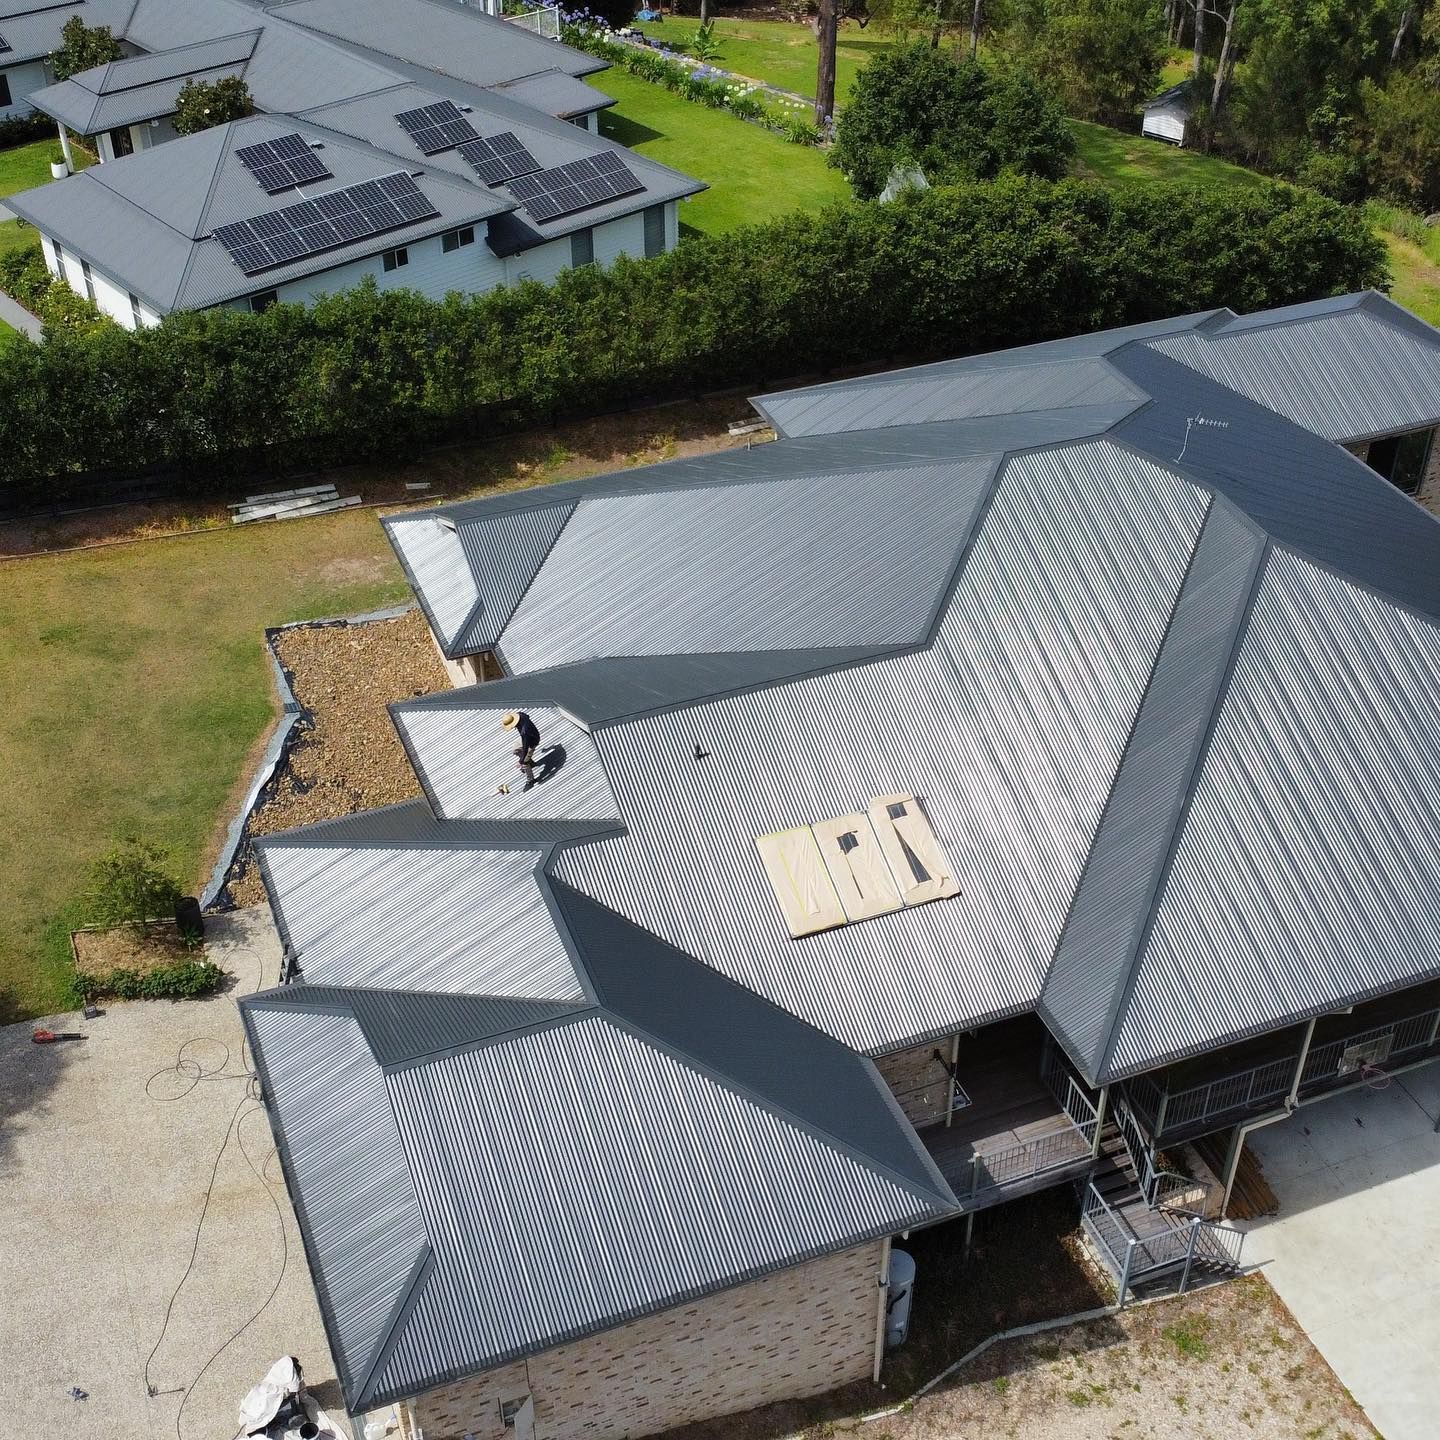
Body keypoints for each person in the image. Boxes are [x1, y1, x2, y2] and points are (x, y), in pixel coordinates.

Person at [502, 711, 542, 789]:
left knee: (524, 763)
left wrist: (521, 761)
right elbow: (527, 715)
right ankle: (531, 763)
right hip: (530, 737)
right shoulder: (521, 715)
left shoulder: (524, 732)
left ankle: (531, 779)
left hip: (532, 742)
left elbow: (526, 747)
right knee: (515, 750)